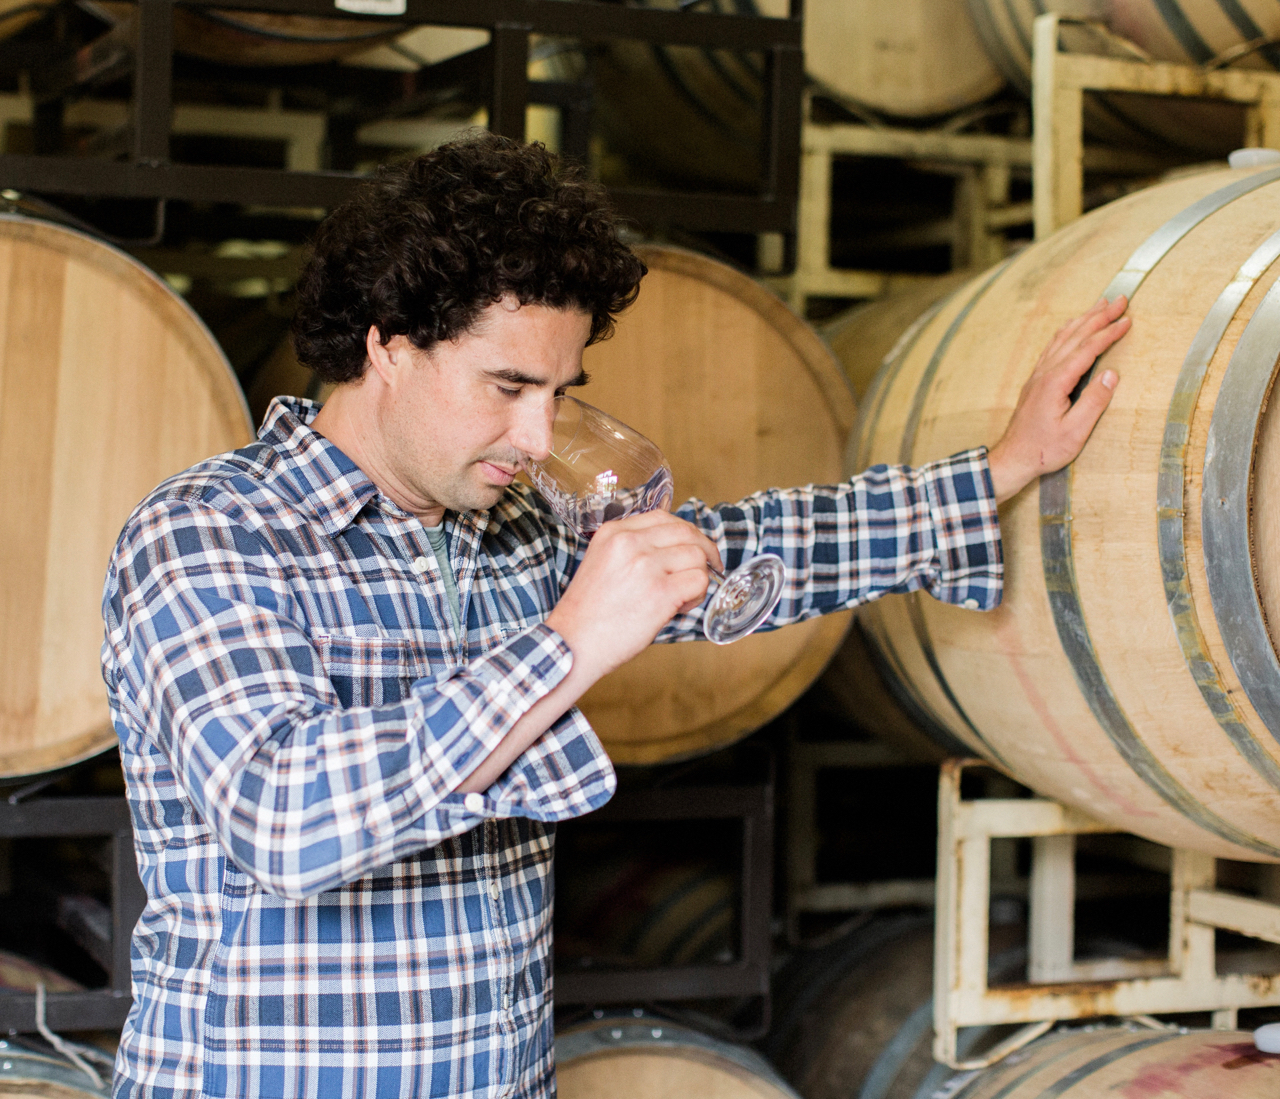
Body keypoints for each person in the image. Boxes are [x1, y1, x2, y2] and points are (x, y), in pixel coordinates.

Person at [101, 132, 1129, 1099]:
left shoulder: (504, 526)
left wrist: (998, 469)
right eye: (506, 384)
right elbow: (284, 819)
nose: (538, 432)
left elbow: (743, 550)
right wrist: (569, 643)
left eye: (559, 390)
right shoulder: (211, 532)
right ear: (388, 346)